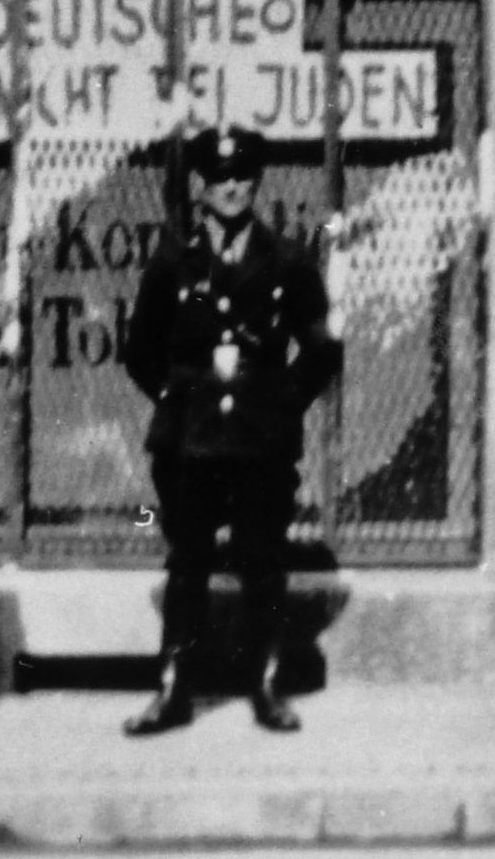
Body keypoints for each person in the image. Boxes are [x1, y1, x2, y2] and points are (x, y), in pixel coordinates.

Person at [120, 123, 341, 735]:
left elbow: (321, 349)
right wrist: (177, 399)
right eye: (219, 177)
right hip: (189, 443)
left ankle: (265, 686)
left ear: (257, 182)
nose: (232, 188)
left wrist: (281, 404)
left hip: (258, 443)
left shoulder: (289, 260)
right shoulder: (174, 260)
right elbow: (139, 350)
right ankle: (173, 691)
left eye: (242, 176)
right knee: (186, 563)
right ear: (199, 184)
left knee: (262, 563)